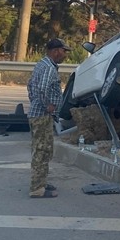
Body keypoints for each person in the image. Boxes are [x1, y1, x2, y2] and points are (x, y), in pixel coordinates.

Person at [27, 37, 69, 197]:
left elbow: (30, 85)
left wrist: (35, 102)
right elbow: (42, 88)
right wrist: (48, 105)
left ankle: (41, 181)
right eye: (64, 51)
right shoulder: (49, 68)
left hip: (38, 114)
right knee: (42, 151)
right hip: (42, 115)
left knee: (44, 150)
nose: (65, 54)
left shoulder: (42, 64)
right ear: (55, 51)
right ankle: (37, 188)